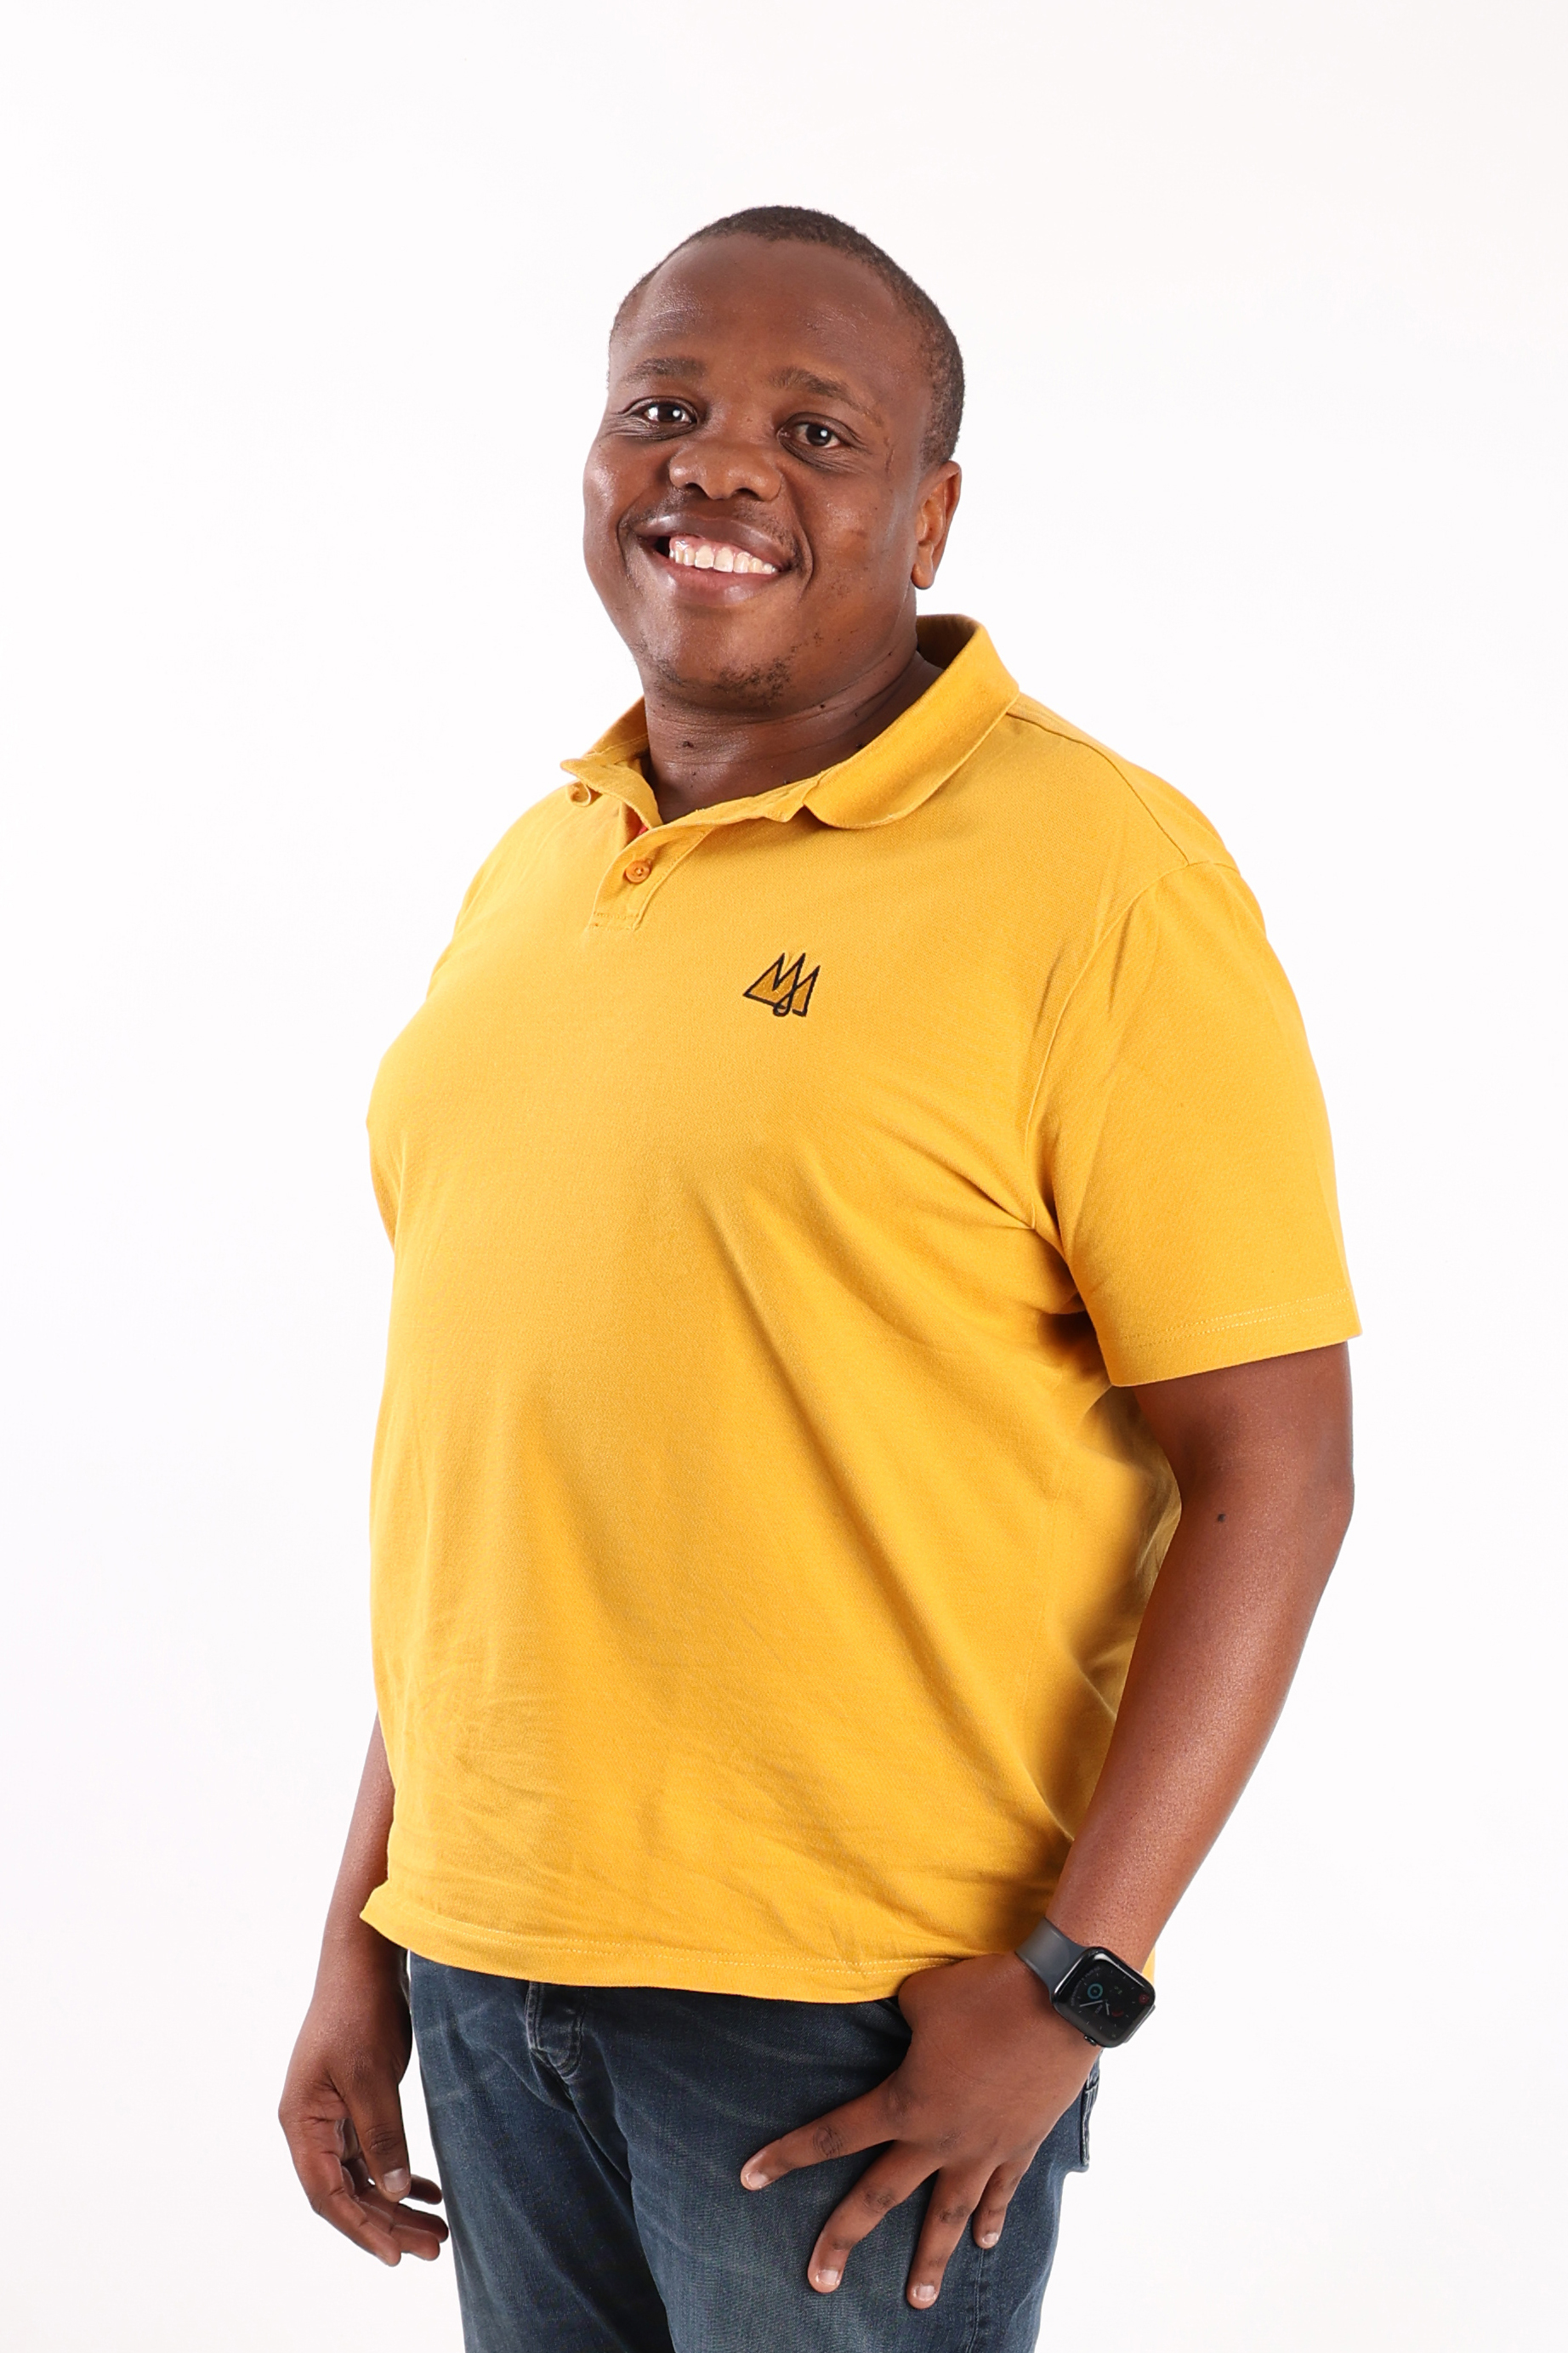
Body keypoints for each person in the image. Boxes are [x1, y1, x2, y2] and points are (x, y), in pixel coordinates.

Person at [280, 206, 1358, 2351]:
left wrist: (1080, 1981)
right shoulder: (540, 863)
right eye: (664, 408)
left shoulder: (1099, 876)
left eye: (816, 430)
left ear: (930, 517)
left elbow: (1278, 1467)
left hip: (849, 2019)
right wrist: (365, 1932)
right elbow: (513, 1460)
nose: (719, 465)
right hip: (485, 1965)